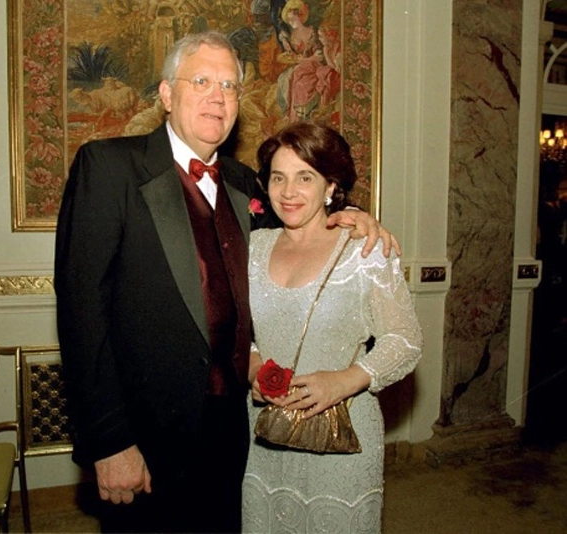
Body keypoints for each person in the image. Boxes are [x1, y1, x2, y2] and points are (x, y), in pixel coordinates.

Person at [55, 31, 394, 534]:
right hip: (145, 440)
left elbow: (298, 230)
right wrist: (109, 443)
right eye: (202, 80)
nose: (219, 95)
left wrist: (355, 217)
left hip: (235, 434)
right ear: (168, 95)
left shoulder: (244, 183)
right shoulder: (108, 167)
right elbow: (82, 316)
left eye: (230, 85)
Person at [243, 122, 423, 533]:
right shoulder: (254, 249)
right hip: (265, 434)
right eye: (278, 178)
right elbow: (237, 332)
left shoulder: (365, 249)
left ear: (330, 186)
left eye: (305, 177)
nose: (289, 192)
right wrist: (255, 370)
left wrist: (344, 381)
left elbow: (406, 340)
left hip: (345, 438)